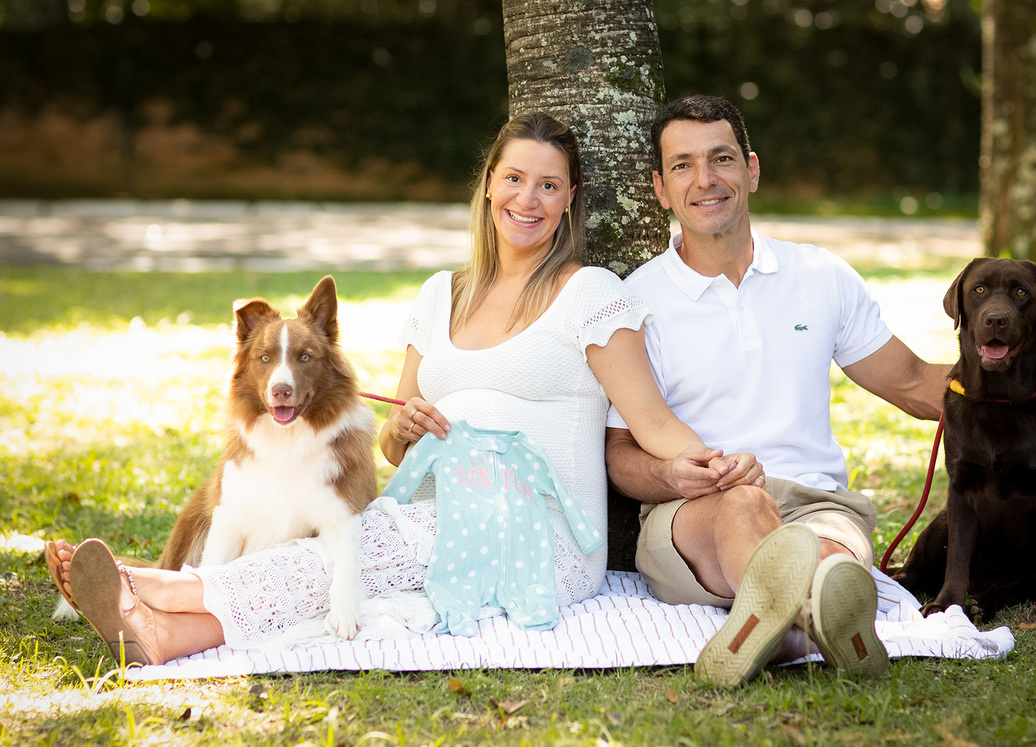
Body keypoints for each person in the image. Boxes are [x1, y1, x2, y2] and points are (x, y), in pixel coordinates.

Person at [45, 111, 733, 666]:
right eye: (515, 178)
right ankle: (166, 632)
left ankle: (153, 588)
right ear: (489, 184)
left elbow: (652, 420)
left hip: (537, 534)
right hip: (427, 510)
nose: (529, 199)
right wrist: (403, 432)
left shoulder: (590, 295)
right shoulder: (440, 297)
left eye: (549, 186)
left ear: (569, 199)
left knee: (362, 553)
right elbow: (395, 445)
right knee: (338, 558)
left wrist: (718, 468)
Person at [604, 95, 1036, 687]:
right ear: (660, 187)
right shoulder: (634, 301)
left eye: (722, 159)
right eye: (683, 165)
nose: (705, 180)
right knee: (745, 508)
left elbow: (915, 382)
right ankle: (806, 626)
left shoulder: (820, 276)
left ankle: (787, 626)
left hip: (818, 505)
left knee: (832, 556)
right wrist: (672, 477)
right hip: (696, 510)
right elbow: (620, 452)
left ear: (752, 169)